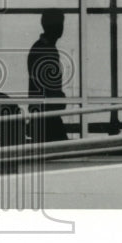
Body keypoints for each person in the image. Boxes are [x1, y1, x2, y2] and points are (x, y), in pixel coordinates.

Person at [27, 9, 70, 144]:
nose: (61, 27)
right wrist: (59, 97)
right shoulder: (44, 49)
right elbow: (47, 85)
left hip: (46, 113)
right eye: (59, 23)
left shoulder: (44, 48)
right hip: (47, 115)